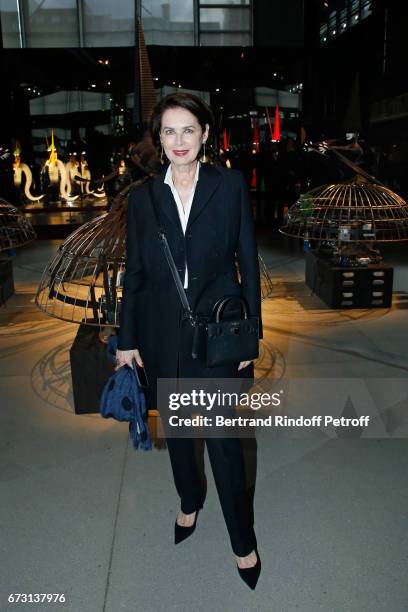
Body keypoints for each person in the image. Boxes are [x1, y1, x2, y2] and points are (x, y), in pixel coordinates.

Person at [116, 92, 263, 589]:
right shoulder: (142, 198)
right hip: (163, 337)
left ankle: (243, 539)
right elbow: (133, 273)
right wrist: (126, 339)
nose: (179, 141)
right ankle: (189, 500)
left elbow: (247, 262)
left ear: (204, 133)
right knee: (179, 434)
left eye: (188, 130)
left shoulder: (229, 186)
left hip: (219, 336)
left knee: (223, 441)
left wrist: (250, 340)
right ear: (159, 139)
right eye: (169, 131)